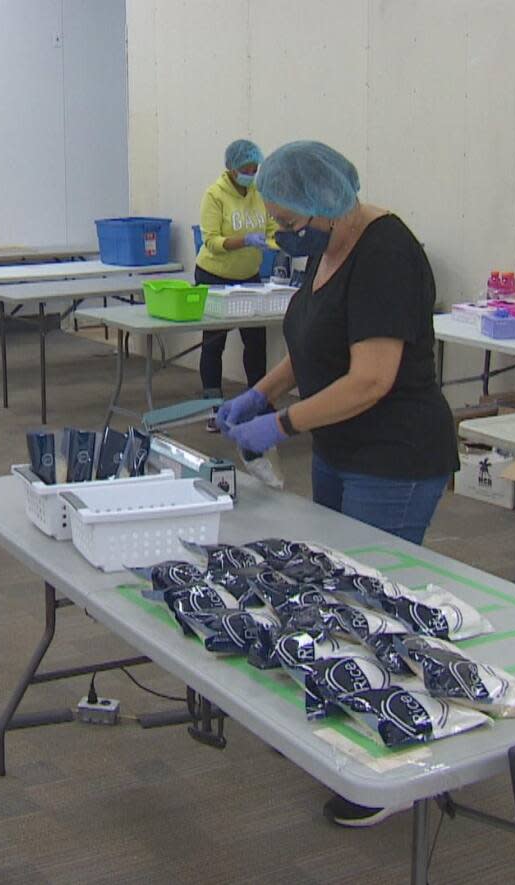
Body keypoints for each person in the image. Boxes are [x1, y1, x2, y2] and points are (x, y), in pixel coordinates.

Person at [216, 140, 458, 828]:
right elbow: (314, 338)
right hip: (342, 446)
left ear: (328, 203)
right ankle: (353, 724)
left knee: (378, 605)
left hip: (395, 455)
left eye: (294, 221)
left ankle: (394, 767)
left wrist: (283, 425)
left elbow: (372, 377)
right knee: (336, 592)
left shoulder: (386, 253)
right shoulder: (330, 245)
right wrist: (258, 395)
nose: (288, 234)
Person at [196, 139, 282, 487]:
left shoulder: (258, 194)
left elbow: (273, 229)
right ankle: (213, 408)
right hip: (214, 275)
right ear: (232, 168)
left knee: (255, 342)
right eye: (247, 169)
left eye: (254, 169)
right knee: (213, 343)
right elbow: (211, 240)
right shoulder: (214, 195)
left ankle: (256, 403)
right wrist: (244, 240)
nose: (251, 174)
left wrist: (276, 242)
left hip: (250, 276)